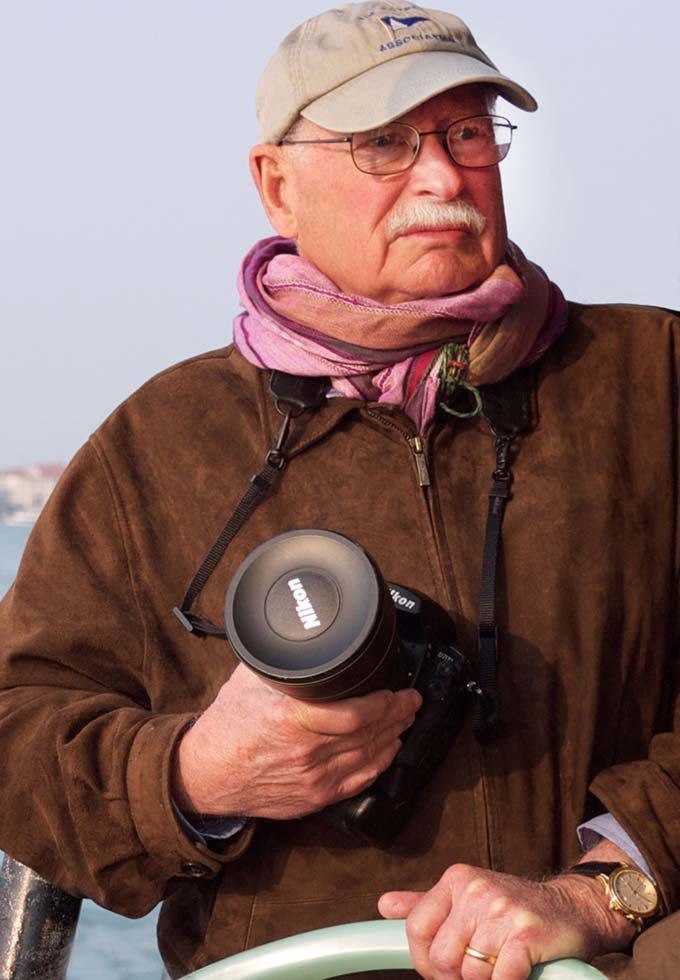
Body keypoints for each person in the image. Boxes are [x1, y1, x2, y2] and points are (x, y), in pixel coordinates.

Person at [0, 3, 678, 978]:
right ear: (275, 183)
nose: (442, 177)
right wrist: (191, 773)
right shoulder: (158, 442)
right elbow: (18, 724)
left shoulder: (650, 375)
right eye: (382, 143)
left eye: (466, 132)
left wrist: (605, 885)